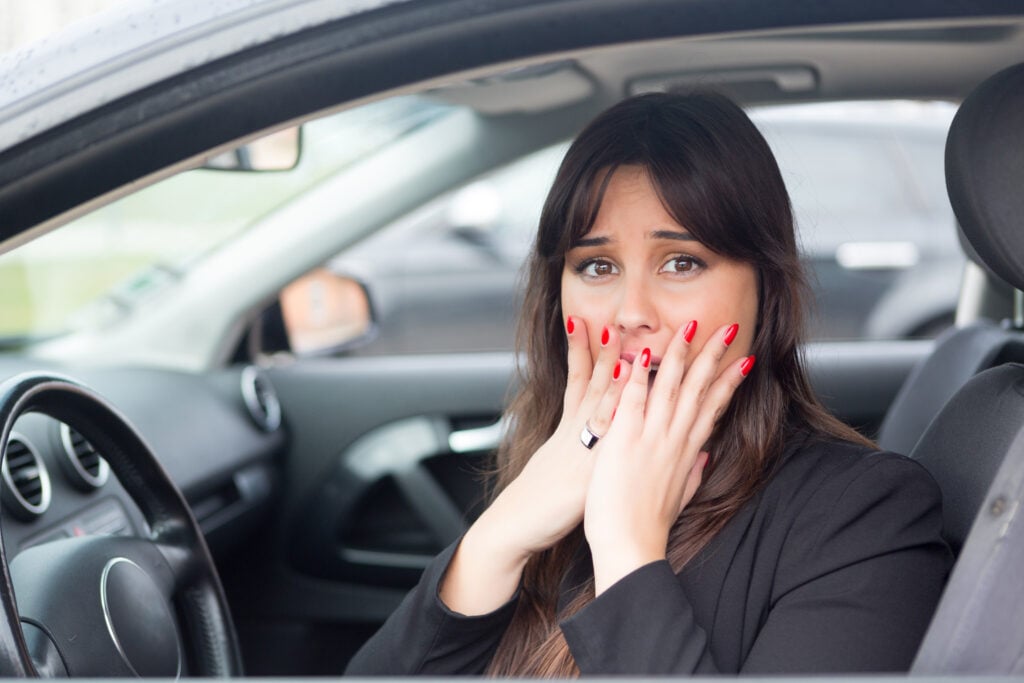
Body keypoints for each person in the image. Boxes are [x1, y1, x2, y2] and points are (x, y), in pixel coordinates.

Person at [345, 91, 952, 676]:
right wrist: (499, 537)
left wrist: (627, 550)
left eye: (681, 262)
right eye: (597, 266)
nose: (630, 311)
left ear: (767, 288)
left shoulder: (865, 515)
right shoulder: (555, 471)